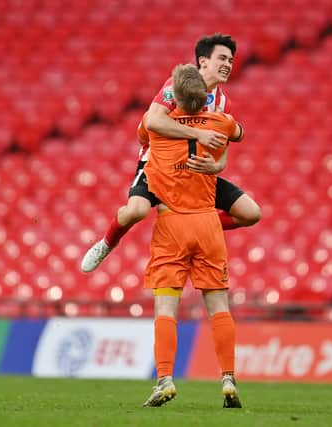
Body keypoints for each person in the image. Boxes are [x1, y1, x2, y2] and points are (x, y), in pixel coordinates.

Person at [80, 33, 261, 273]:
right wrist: (197, 134)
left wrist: (217, 166)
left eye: (230, 60)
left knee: (250, 214)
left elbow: (224, 141)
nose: (228, 65)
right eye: (222, 58)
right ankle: (107, 243)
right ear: (203, 61)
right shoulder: (178, 85)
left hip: (194, 173)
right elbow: (154, 121)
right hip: (158, 166)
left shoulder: (222, 102)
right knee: (136, 210)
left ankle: (187, 225)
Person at [141, 64, 242, 409]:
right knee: (218, 307)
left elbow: (147, 126)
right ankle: (227, 378)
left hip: (172, 225)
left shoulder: (157, 130)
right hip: (208, 224)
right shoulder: (220, 123)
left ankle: (165, 379)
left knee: (166, 307)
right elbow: (238, 131)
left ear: (174, 98)